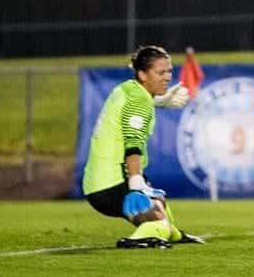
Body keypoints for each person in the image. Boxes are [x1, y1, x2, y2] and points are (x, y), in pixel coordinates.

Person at [82, 45, 206, 249]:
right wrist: (136, 183)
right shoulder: (140, 100)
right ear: (142, 74)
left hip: (96, 183)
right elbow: (133, 144)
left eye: (169, 71)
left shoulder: (127, 88)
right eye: (160, 72)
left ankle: (171, 233)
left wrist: (157, 100)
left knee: (159, 200)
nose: (167, 77)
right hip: (112, 183)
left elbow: (129, 105)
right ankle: (138, 239)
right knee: (158, 220)